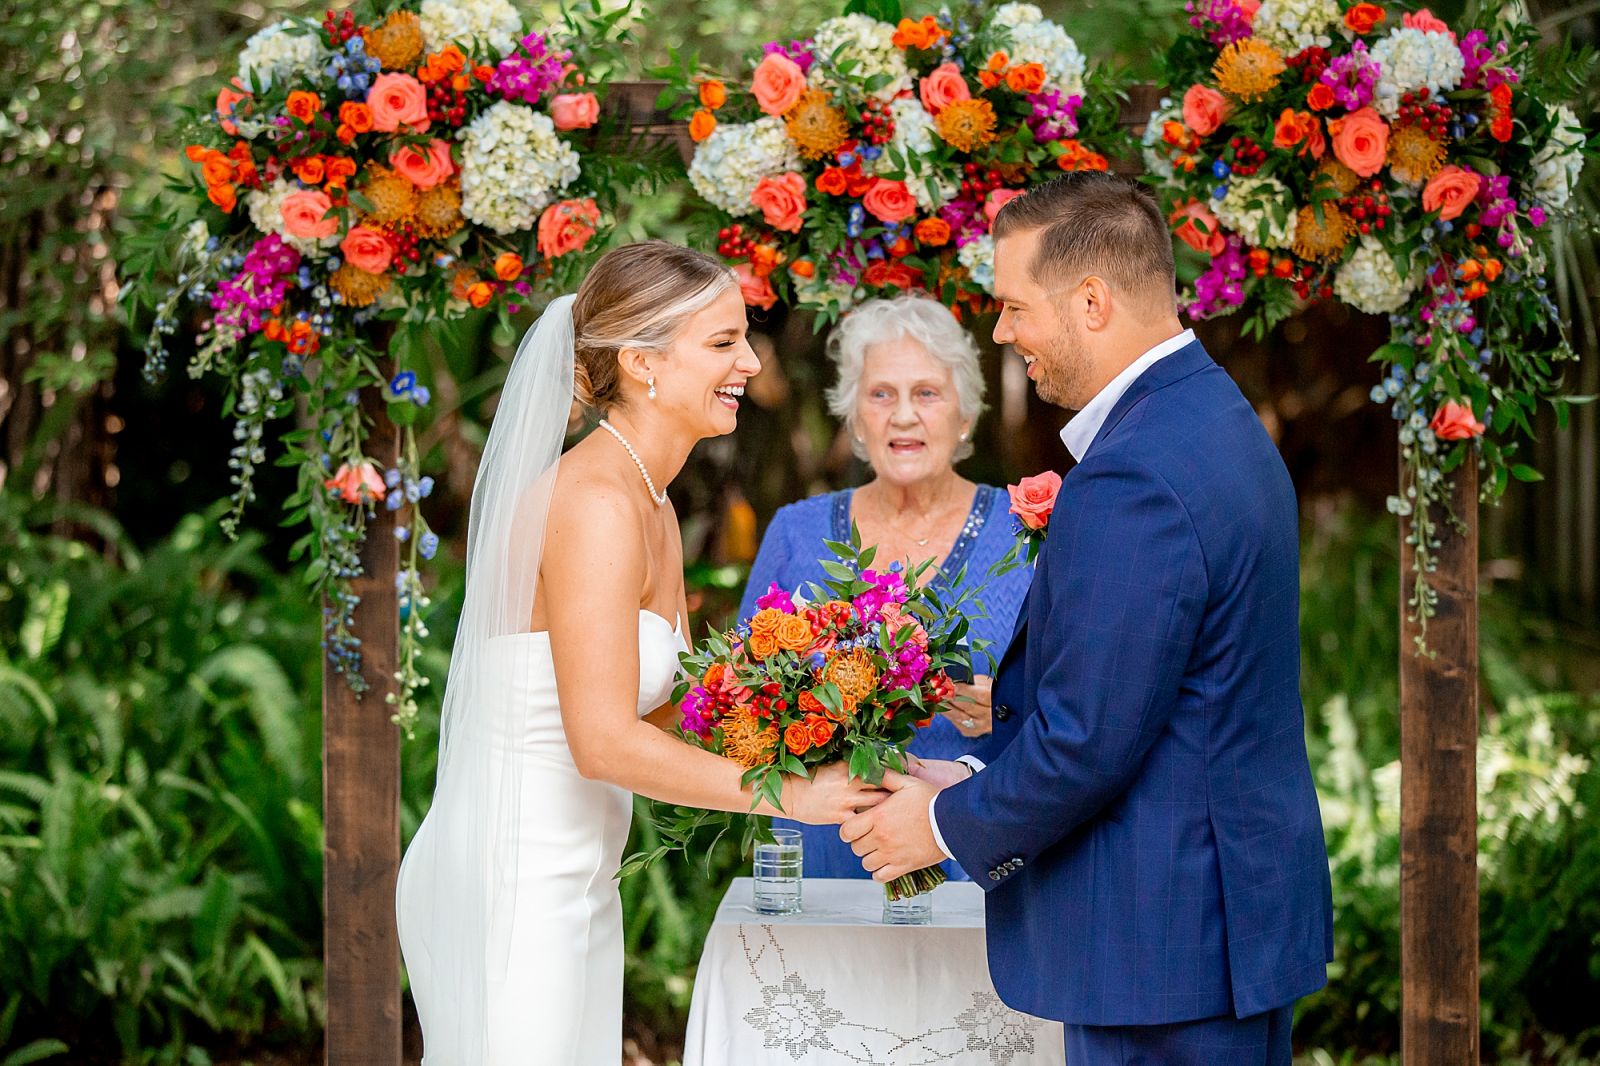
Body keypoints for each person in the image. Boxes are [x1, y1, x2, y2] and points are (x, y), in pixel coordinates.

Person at [839, 173, 1334, 1065]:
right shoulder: (1211, 417)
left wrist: (941, 825)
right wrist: (971, 760)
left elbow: (1089, 742)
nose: (1001, 331)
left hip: (1162, 948)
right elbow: (1166, 697)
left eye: (1014, 306)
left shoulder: (1134, 469)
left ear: (1092, 302)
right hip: (1216, 924)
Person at [395, 241, 888, 1065]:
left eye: (746, 338)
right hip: (512, 880)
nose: (751, 361)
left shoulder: (648, 497)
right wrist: (792, 797)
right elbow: (603, 744)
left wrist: (824, 719)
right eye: (723, 341)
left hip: (579, 875)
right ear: (641, 362)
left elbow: (671, 710)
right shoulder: (592, 501)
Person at [738, 293, 1032, 880]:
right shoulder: (796, 531)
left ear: (966, 414)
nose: (903, 415)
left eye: (927, 393)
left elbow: (1080, 715)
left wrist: (1004, 709)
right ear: (853, 420)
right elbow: (742, 704)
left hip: (975, 859)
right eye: (881, 395)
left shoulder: (1027, 535)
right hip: (824, 851)